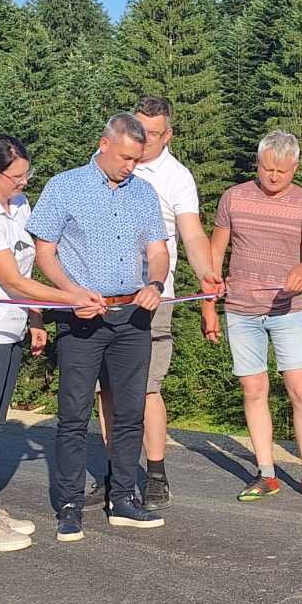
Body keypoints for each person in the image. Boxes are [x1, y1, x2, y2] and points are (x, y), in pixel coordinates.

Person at [0, 135, 106, 553]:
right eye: (17, 176)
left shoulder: (19, 205)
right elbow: (14, 281)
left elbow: (29, 263)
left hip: (10, 328)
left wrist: (35, 318)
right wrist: (72, 297)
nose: (24, 182)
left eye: (27, 174)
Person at [29, 113, 170, 542]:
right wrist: (71, 293)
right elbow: (44, 251)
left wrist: (155, 283)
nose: (131, 166)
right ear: (104, 144)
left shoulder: (144, 193)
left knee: (129, 413)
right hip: (83, 316)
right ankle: (69, 504)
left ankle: (124, 496)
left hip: (133, 315)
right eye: (126, 157)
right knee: (74, 414)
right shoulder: (64, 186)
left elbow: (158, 249)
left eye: (138, 159)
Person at [90, 95, 222, 511]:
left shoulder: (176, 177)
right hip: (102, 294)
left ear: (169, 134)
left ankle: (156, 472)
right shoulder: (108, 160)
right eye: (138, 130)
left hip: (152, 295)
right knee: (107, 390)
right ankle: (115, 473)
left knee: (146, 388)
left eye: (153, 134)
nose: (144, 141)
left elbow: (193, 233)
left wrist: (207, 273)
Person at [201, 130, 302, 502]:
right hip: (240, 309)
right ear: (256, 163)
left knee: (300, 389)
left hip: (287, 310)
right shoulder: (234, 198)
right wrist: (208, 305)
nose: (273, 176)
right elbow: (215, 252)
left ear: (295, 167)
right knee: (253, 388)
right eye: (266, 168)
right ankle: (266, 472)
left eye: (282, 171)